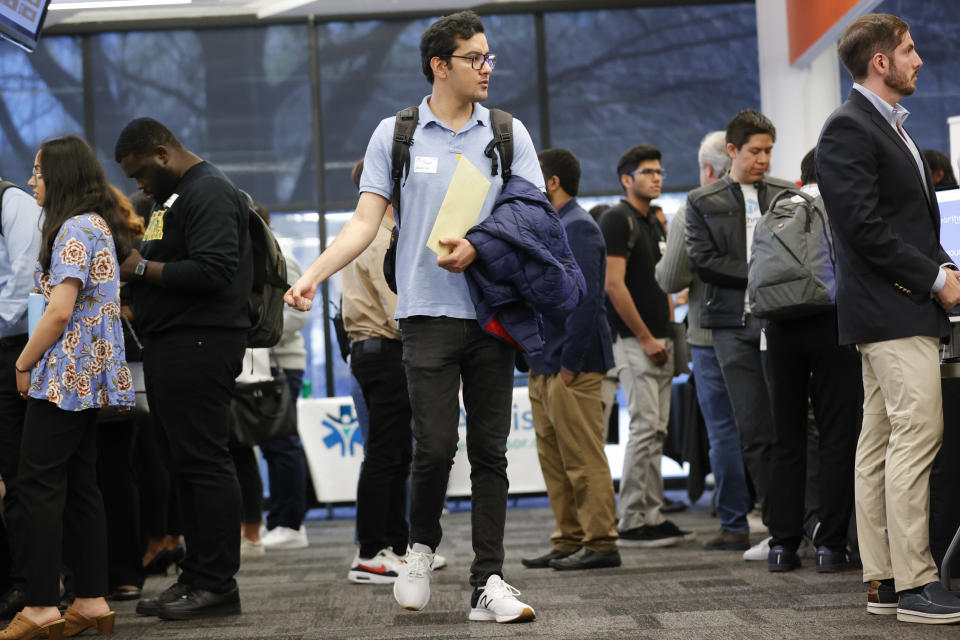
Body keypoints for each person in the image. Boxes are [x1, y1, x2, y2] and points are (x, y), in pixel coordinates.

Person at [286, 10, 541, 624]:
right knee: (431, 448)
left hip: (490, 314)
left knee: (491, 453)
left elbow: (533, 217)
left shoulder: (506, 132)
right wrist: (312, 275)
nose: (487, 68)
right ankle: (420, 548)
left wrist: (480, 246)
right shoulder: (395, 135)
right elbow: (365, 222)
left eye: (490, 57)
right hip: (423, 315)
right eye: (474, 58)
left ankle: (489, 580)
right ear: (439, 65)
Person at [816, 13, 960, 623]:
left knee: (878, 445)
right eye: (908, 50)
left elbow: (912, 228)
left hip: (892, 309)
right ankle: (916, 586)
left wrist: (949, 269)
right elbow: (863, 228)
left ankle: (882, 579)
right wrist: (936, 280)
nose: (918, 59)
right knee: (916, 439)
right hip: (893, 311)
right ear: (880, 62)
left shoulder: (887, 126)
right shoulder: (849, 128)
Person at [114, 117, 252, 621]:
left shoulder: (208, 190)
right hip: (174, 343)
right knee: (187, 465)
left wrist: (141, 270)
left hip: (202, 343)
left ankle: (218, 585)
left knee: (205, 462)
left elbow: (215, 270)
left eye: (140, 174)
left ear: (161, 153)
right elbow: (156, 253)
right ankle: (196, 575)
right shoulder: (168, 202)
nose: (139, 185)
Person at [0, 135, 134, 640]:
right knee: (80, 484)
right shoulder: (93, 224)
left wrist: (22, 361)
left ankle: (39, 605)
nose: (32, 179)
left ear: (60, 175)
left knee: (35, 484)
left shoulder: (73, 230)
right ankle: (91, 598)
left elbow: (59, 310)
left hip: (65, 376)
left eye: (38, 171)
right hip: (86, 375)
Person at [684, 110, 796, 559]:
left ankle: (805, 522)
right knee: (752, 429)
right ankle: (776, 527)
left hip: (782, 323)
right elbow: (704, 261)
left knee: (793, 425)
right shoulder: (701, 200)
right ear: (732, 150)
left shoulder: (788, 195)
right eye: (755, 151)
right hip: (732, 327)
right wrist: (765, 274)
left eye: (769, 151)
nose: (763, 160)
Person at [762, 149, 863, 573]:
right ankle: (830, 547)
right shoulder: (841, 205)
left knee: (785, 438)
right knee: (837, 436)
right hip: (830, 325)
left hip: (778, 329)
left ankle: (782, 546)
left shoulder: (779, 206)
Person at [521, 148, 620, 571]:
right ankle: (569, 538)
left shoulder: (579, 227)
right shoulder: (556, 225)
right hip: (545, 361)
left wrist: (570, 361)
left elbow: (585, 299)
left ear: (552, 182)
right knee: (555, 460)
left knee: (582, 457)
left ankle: (600, 542)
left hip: (571, 362)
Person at [655, 130, 753, 551]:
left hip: (710, 334)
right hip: (762, 328)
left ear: (709, 170)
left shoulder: (692, 210)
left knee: (724, 431)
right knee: (769, 426)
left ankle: (734, 523)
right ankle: (784, 519)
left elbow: (669, 277)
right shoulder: (767, 202)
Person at [599, 144, 689, 547]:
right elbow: (612, 285)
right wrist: (646, 337)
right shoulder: (617, 220)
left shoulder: (653, 220)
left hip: (662, 337)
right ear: (626, 179)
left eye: (659, 171)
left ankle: (652, 512)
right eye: (648, 172)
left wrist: (668, 328)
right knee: (644, 426)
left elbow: (665, 281)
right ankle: (633, 518)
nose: (657, 177)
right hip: (636, 341)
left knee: (657, 430)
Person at [341, 159, 414, 584]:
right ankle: (371, 552)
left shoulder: (373, 229)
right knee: (386, 456)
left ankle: (394, 546)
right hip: (383, 352)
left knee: (396, 454)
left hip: (378, 352)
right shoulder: (374, 233)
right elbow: (397, 308)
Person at [0, 174, 42, 620]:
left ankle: (32, 586)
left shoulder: (12, 202)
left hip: (15, 349)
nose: (34, 181)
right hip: (12, 345)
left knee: (19, 476)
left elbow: (24, 285)